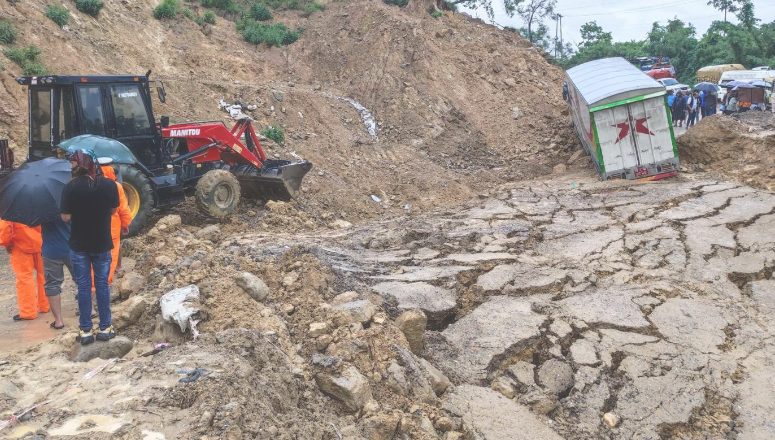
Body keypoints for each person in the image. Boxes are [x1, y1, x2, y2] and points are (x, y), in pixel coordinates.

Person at [60, 150, 119, 345]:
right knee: (102, 285)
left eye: (73, 163)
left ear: (80, 165)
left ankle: (85, 330)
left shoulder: (70, 187)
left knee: (84, 287)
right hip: (102, 243)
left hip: (79, 244)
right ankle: (105, 327)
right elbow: (113, 211)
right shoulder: (110, 185)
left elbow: (65, 217)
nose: (71, 166)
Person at [0, 220, 49, 321]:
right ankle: (45, 305)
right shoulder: (41, 204)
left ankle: (28, 312)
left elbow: (5, 230)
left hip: (20, 246)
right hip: (41, 244)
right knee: (44, 276)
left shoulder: (10, 206)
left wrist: (7, 244)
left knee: (24, 279)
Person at [94, 159, 131, 287]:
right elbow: (123, 209)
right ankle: (105, 284)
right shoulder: (116, 187)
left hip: (93, 228)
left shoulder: (89, 183)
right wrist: (125, 224)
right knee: (111, 256)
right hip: (112, 227)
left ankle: (94, 286)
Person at [41, 218, 74, 329]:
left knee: (52, 284)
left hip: (51, 251)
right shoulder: (69, 202)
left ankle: (58, 321)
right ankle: (91, 310)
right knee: (82, 280)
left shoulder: (41, 205)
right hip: (72, 248)